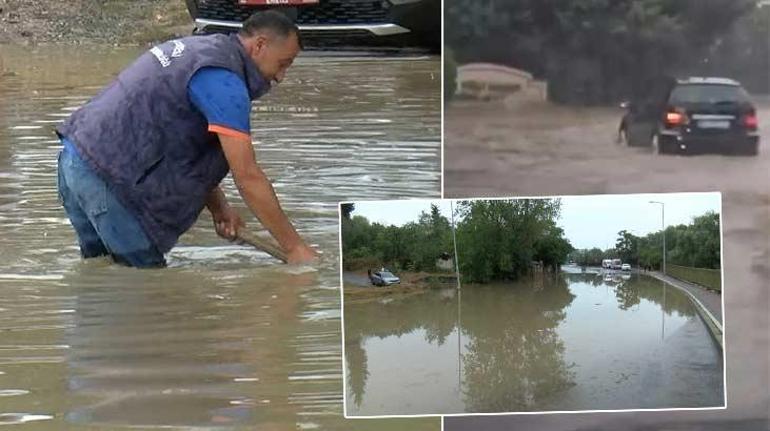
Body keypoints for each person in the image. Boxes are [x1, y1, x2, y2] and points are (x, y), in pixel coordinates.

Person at [56, 11, 318, 267]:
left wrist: (219, 208)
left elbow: (182, 141)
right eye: (283, 63)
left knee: (101, 275)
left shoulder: (201, 50)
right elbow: (248, 176)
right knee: (148, 293)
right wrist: (294, 248)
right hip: (111, 181)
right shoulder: (225, 82)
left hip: (76, 158)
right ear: (260, 45)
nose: (281, 77)